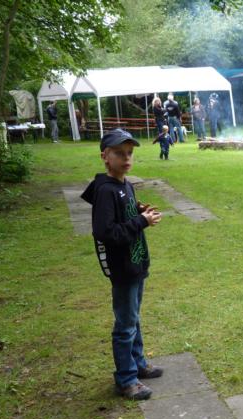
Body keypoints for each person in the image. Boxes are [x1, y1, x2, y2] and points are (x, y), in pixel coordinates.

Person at [80, 129, 163, 401]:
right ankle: (126, 379)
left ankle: (138, 364)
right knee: (125, 325)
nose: (126, 158)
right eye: (119, 153)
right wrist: (141, 221)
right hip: (123, 267)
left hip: (135, 263)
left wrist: (138, 212)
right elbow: (106, 232)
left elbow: (123, 216)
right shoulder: (105, 190)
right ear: (105, 156)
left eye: (129, 153)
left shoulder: (125, 185)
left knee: (133, 318)